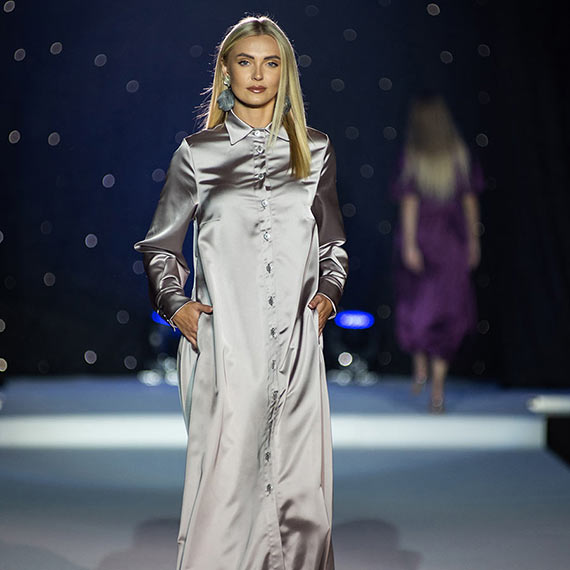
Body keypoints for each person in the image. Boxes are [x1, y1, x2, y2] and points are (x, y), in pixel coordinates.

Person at [134, 16, 348, 570]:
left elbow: (333, 244)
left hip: (295, 344)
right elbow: (159, 246)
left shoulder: (315, 150)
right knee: (227, 487)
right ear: (226, 72)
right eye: (245, 62)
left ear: (285, 73)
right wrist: (177, 306)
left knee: (301, 493)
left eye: (270, 63)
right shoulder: (198, 154)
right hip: (224, 343)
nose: (258, 74)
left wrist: (327, 295)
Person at [391, 94, 483, 414]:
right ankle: (428, 373)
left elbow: (414, 203)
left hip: (436, 244)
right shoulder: (435, 156)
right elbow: (467, 203)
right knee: (437, 312)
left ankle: (434, 384)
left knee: (432, 312)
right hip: (444, 243)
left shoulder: (446, 155)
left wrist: (410, 244)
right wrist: (472, 241)